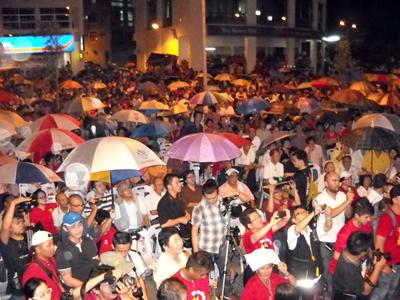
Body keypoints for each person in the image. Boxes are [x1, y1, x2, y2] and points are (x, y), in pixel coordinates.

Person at [191, 179, 235, 297]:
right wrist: (196, 252)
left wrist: (237, 193)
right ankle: (206, 295)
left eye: (214, 197)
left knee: (224, 272)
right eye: (208, 198)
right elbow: (195, 230)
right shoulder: (199, 208)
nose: (211, 200)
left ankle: (227, 294)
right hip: (206, 247)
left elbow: (247, 199)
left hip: (222, 244)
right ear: (203, 196)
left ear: (218, 192)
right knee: (205, 274)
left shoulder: (225, 203)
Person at [315, 171, 354, 292]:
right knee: (328, 274)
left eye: (338, 180)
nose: (338, 183)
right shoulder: (319, 198)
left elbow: (349, 214)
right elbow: (330, 213)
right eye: (334, 180)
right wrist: (347, 201)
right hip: (326, 242)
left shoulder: (342, 195)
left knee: (340, 272)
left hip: (340, 241)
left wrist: (349, 202)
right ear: (326, 183)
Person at [333, 232, 387, 299]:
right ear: (362, 253)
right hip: (351, 295)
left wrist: (373, 258)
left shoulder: (351, 249)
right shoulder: (348, 270)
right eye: (368, 249)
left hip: (362, 279)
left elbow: (368, 255)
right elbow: (366, 291)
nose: (370, 250)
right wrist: (377, 268)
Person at [328, 198, 373, 275]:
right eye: (366, 217)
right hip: (342, 270)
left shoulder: (366, 224)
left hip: (359, 265)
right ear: (356, 216)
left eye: (370, 216)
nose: (369, 219)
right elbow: (337, 256)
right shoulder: (345, 234)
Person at [371, 185, 400, 300]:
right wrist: (383, 266)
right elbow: (378, 244)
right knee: (380, 294)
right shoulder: (387, 218)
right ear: (395, 199)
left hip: (398, 263)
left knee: (392, 292)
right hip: (388, 264)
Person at [56, 212, 99, 289]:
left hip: (93, 280)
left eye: (79, 224)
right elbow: (68, 280)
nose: (77, 229)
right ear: (65, 228)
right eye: (72, 227)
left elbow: (96, 261)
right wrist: (89, 287)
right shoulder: (62, 250)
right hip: (78, 287)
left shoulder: (88, 240)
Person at [287, 204, 331, 280]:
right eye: (299, 213)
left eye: (304, 211)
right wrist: (313, 213)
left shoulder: (312, 230)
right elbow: (297, 229)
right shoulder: (292, 230)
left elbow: (327, 227)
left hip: (316, 274)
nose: (304, 213)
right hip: (300, 277)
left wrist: (328, 216)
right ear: (293, 220)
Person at [0, 197, 31, 299]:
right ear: (9, 226)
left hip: (30, 281)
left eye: (21, 222)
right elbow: (4, 227)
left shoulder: (27, 236)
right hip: (17, 287)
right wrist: (13, 203)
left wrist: (26, 220)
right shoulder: (6, 242)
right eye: (17, 223)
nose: (21, 224)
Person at [21, 231, 63, 299]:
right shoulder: (32, 273)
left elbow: (57, 282)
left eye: (52, 243)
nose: (53, 247)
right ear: (37, 249)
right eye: (48, 245)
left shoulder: (51, 259)